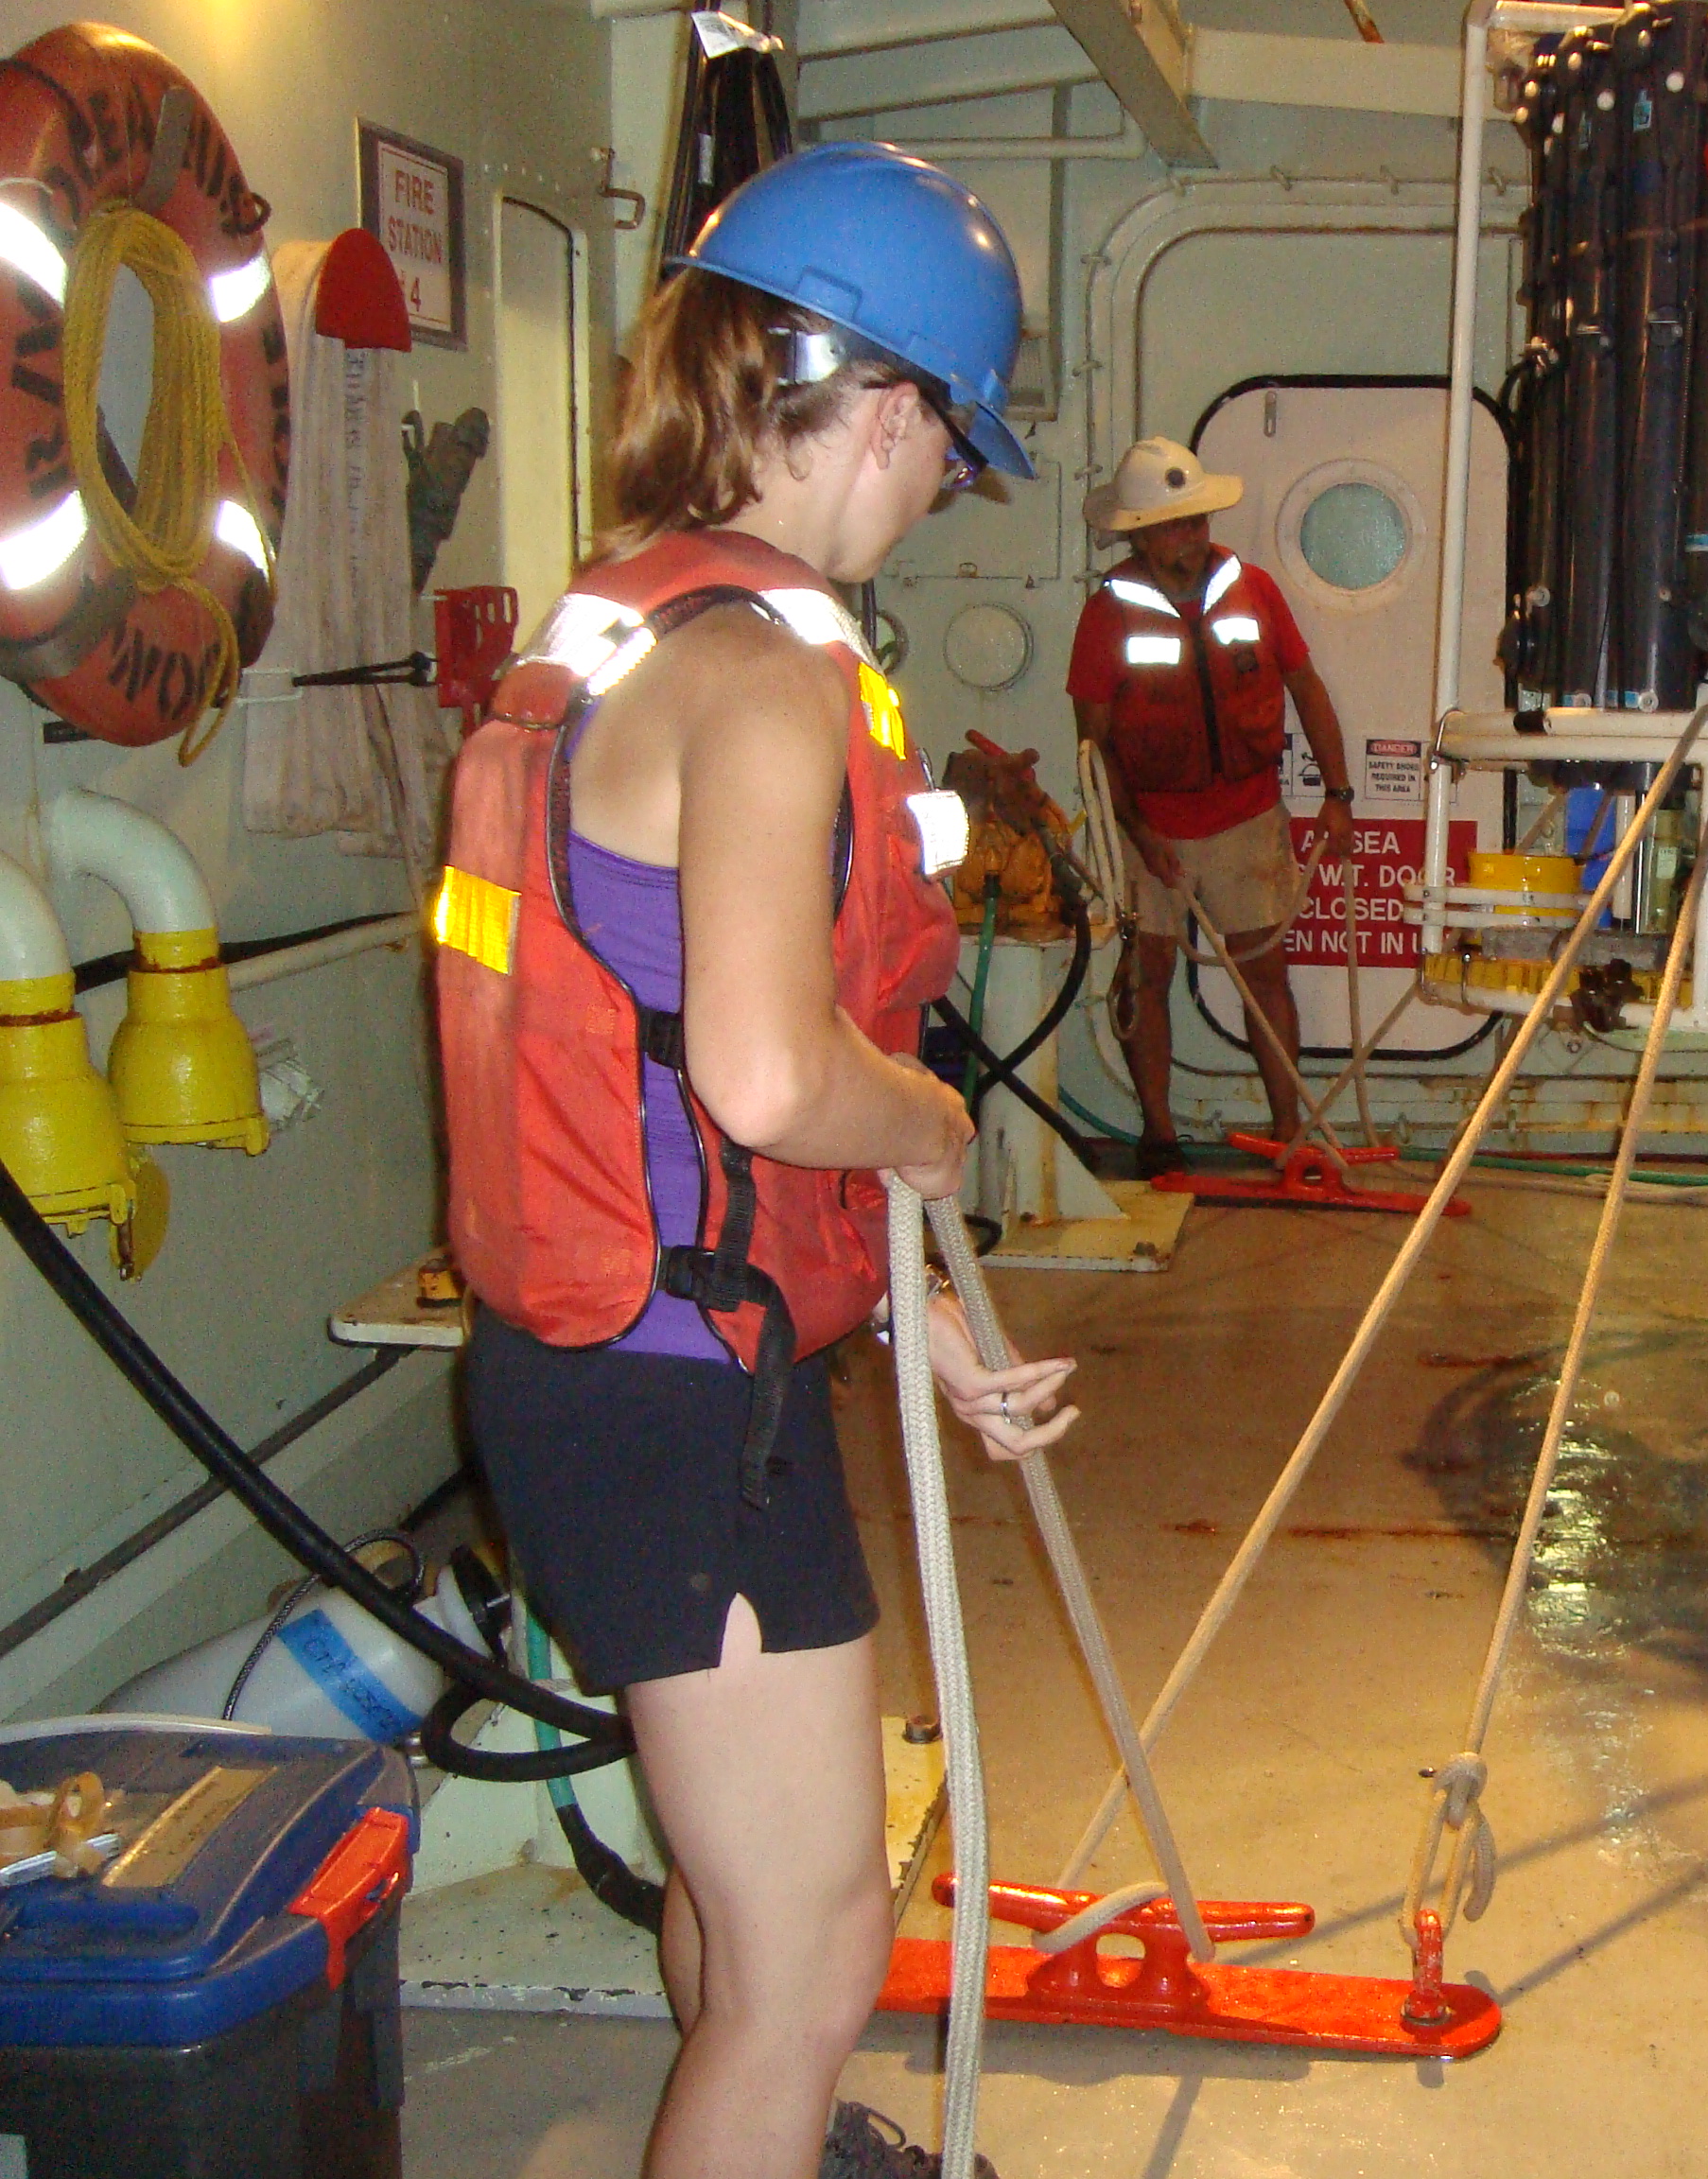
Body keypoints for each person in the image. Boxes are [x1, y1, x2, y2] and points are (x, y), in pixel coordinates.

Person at [432, 145, 1074, 2179]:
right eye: (945, 457)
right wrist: (945, 1124)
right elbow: (778, 1079)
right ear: (885, 411)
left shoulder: (625, 638)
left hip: (633, 1376)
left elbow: (667, 1090)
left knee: (740, 1896)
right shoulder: (771, 682)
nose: (934, 500)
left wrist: (911, 1321)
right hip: (671, 1410)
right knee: (809, 1952)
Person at [1067, 436, 1355, 1173]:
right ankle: (1159, 1133)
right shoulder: (1106, 615)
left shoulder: (1253, 587)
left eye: (1193, 521)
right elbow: (1094, 746)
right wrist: (1136, 833)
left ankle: (1288, 1132)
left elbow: (1306, 687)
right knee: (1146, 975)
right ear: (1136, 532)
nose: (1187, 538)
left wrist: (1339, 794)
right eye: (1169, 525)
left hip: (1248, 820)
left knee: (1265, 976)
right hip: (1149, 826)